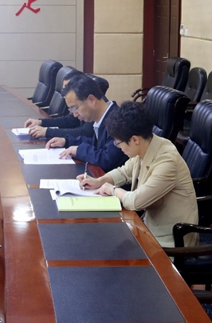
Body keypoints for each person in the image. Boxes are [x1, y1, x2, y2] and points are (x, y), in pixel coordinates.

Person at [78, 100, 198, 247]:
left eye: (118, 143)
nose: (118, 147)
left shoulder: (167, 161)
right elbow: (124, 172)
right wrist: (99, 181)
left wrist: (113, 190)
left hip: (170, 242)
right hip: (148, 227)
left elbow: (136, 202)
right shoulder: (145, 146)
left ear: (134, 139)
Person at [44, 74, 126, 172]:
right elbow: (95, 144)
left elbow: (107, 159)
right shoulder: (104, 118)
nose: (75, 114)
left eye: (75, 108)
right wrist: (66, 141)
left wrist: (79, 151)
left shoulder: (118, 121)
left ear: (91, 100)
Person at [23, 70, 92, 139]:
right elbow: (69, 120)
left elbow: (84, 133)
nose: (64, 94)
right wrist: (41, 122)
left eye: (67, 89)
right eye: (64, 89)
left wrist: (47, 132)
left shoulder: (91, 107)